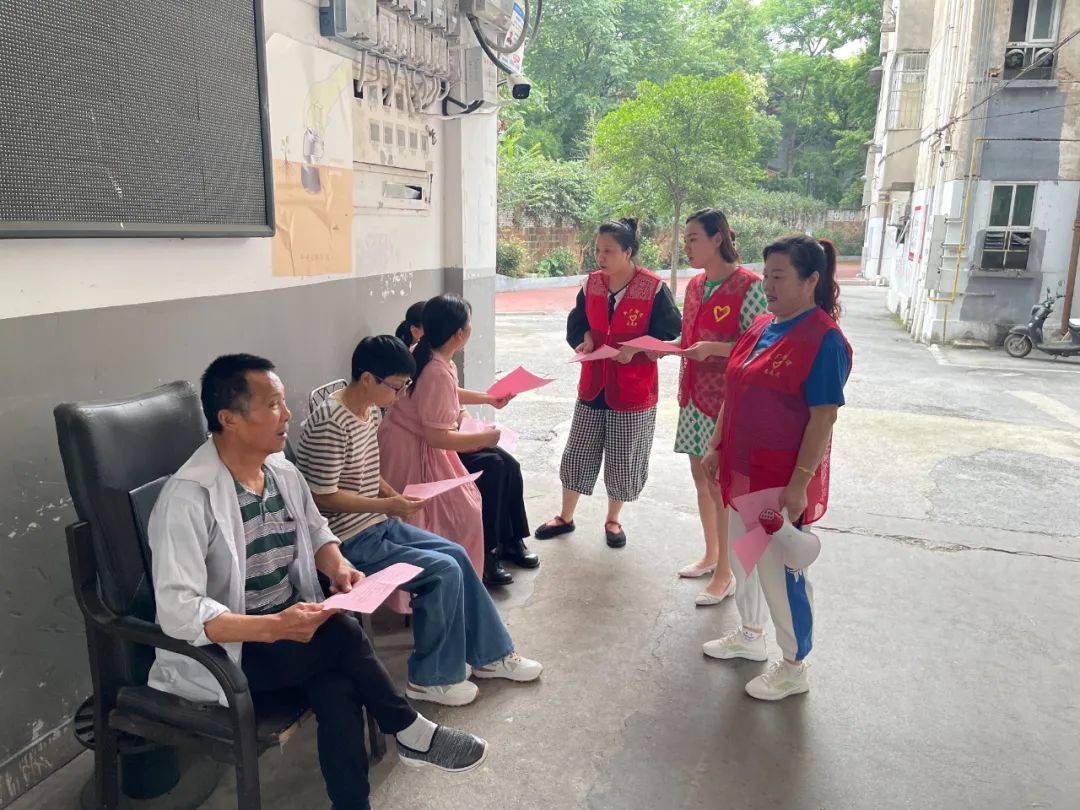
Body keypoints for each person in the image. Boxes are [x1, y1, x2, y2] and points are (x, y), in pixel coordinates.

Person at [147, 354, 488, 810]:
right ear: (228, 419)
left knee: (339, 688)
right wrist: (273, 627)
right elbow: (179, 611)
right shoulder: (188, 499)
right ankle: (410, 730)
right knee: (341, 634)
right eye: (273, 405)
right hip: (232, 651)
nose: (288, 415)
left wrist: (338, 566)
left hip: (291, 631)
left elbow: (317, 531)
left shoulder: (281, 472)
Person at [294, 335, 543, 708]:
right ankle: (430, 678)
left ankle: (491, 655)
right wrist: (387, 504)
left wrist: (392, 496)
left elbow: (367, 472)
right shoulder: (331, 423)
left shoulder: (369, 410)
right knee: (441, 571)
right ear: (367, 379)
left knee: (456, 554)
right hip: (346, 541)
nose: (398, 396)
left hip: (376, 523)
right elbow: (321, 497)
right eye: (395, 387)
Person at [701, 235, 852, 701]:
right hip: (742, 472)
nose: (767, 285)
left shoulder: (823, 339)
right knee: (744, 559)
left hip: (778, 483)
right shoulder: (761, 326)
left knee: (779, 572)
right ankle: (750, 635)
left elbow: (823, 417)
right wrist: (715, 444)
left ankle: (793, 665)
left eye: (779, 276)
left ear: (811, 280)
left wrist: (800, 484)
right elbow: (734, 391)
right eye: (766, 275)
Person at [534, 218, 682, 548]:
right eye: (598, 250)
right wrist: (584, 338)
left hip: (633, 388)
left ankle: (613, 519)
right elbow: (578, 322)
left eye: (609, 251)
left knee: (623, 458)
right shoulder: (592, 284)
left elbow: (670, 332)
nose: (600, 258)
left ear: (628, 252)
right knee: (578, 452)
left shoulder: (653, 288)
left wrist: (636, 348)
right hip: (594, 384)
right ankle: (566, 516)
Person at [379, 295, 537, 586]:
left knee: (504, 468)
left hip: (418, 440)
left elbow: (448, 393)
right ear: (459, 334)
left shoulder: (429, 355)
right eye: (469, 323)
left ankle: (503, 546)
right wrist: (485, 437)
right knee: (465, 507)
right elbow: (436, 436)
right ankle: (470, 566)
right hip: (414, 450)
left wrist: (488, 398)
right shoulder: (435, 369)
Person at [671, 209, 767, 607]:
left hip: (726, 403)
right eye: (686, 240)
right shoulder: (695, 285)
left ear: (717, 239)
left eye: (694, 238)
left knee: (721, 487)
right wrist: (663, 349)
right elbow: (687, 339)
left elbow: (758, 348)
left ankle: (727, 572)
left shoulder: (749, 286)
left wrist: (713, 349)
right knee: (700, 480)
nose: (687, 246)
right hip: (693, 397)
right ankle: (711, 555)